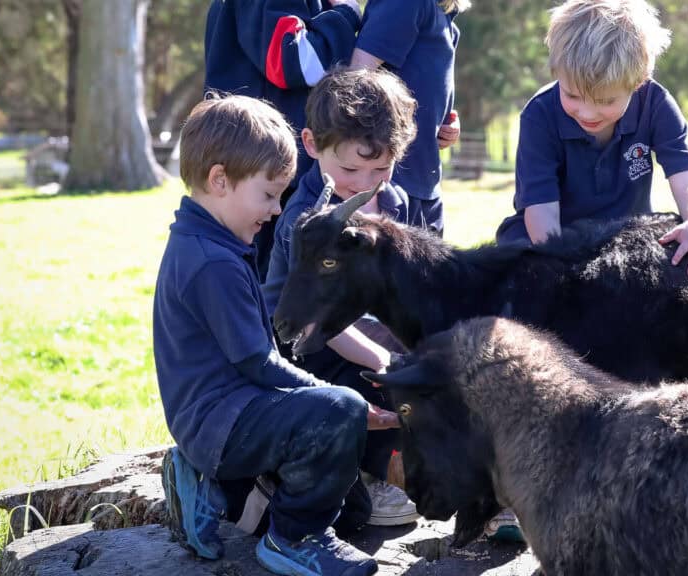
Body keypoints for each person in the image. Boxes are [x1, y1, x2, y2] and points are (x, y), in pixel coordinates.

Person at [154, 94, 397, 576]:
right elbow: (258, 363)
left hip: (226, 416)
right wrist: (333, 398)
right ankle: (293, 539)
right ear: (219, 180)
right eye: (267, 195)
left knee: (354, 512)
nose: (273, 209)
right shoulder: (212, 263)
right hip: (220, 420)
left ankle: (211, 489)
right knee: (341, 410)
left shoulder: (211, 242)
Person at [262, 67, 422, 528]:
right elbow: (315, 323)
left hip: (367, 328)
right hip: (306, 345)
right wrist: (384, 357)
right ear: (311, 145)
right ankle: (366, 469)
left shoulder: (392, 201)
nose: (365, 181)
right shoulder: (308, 217)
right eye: (350, 168)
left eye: (381, 168)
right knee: (375, 374)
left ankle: (411, 457)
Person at [495, 0, 688, 281]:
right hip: (551, 236)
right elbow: (541, 210)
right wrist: (560, 265)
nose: (588, 112)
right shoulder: (539, 115)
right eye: (573, 96)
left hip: (623, 234)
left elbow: (686, 175)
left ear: (639, 81)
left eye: (605, 101)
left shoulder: (656, 103)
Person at [204, 0, 363, 281]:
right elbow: (293, 61)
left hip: (265, 170)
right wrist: (346, 14)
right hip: (255, 168)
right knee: (253, 283)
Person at [348, 0, 470, 235]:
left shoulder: (444, 14)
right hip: (389, 183)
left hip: (424, 178)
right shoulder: (405, 3)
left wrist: (447, 123)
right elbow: (355, 78)